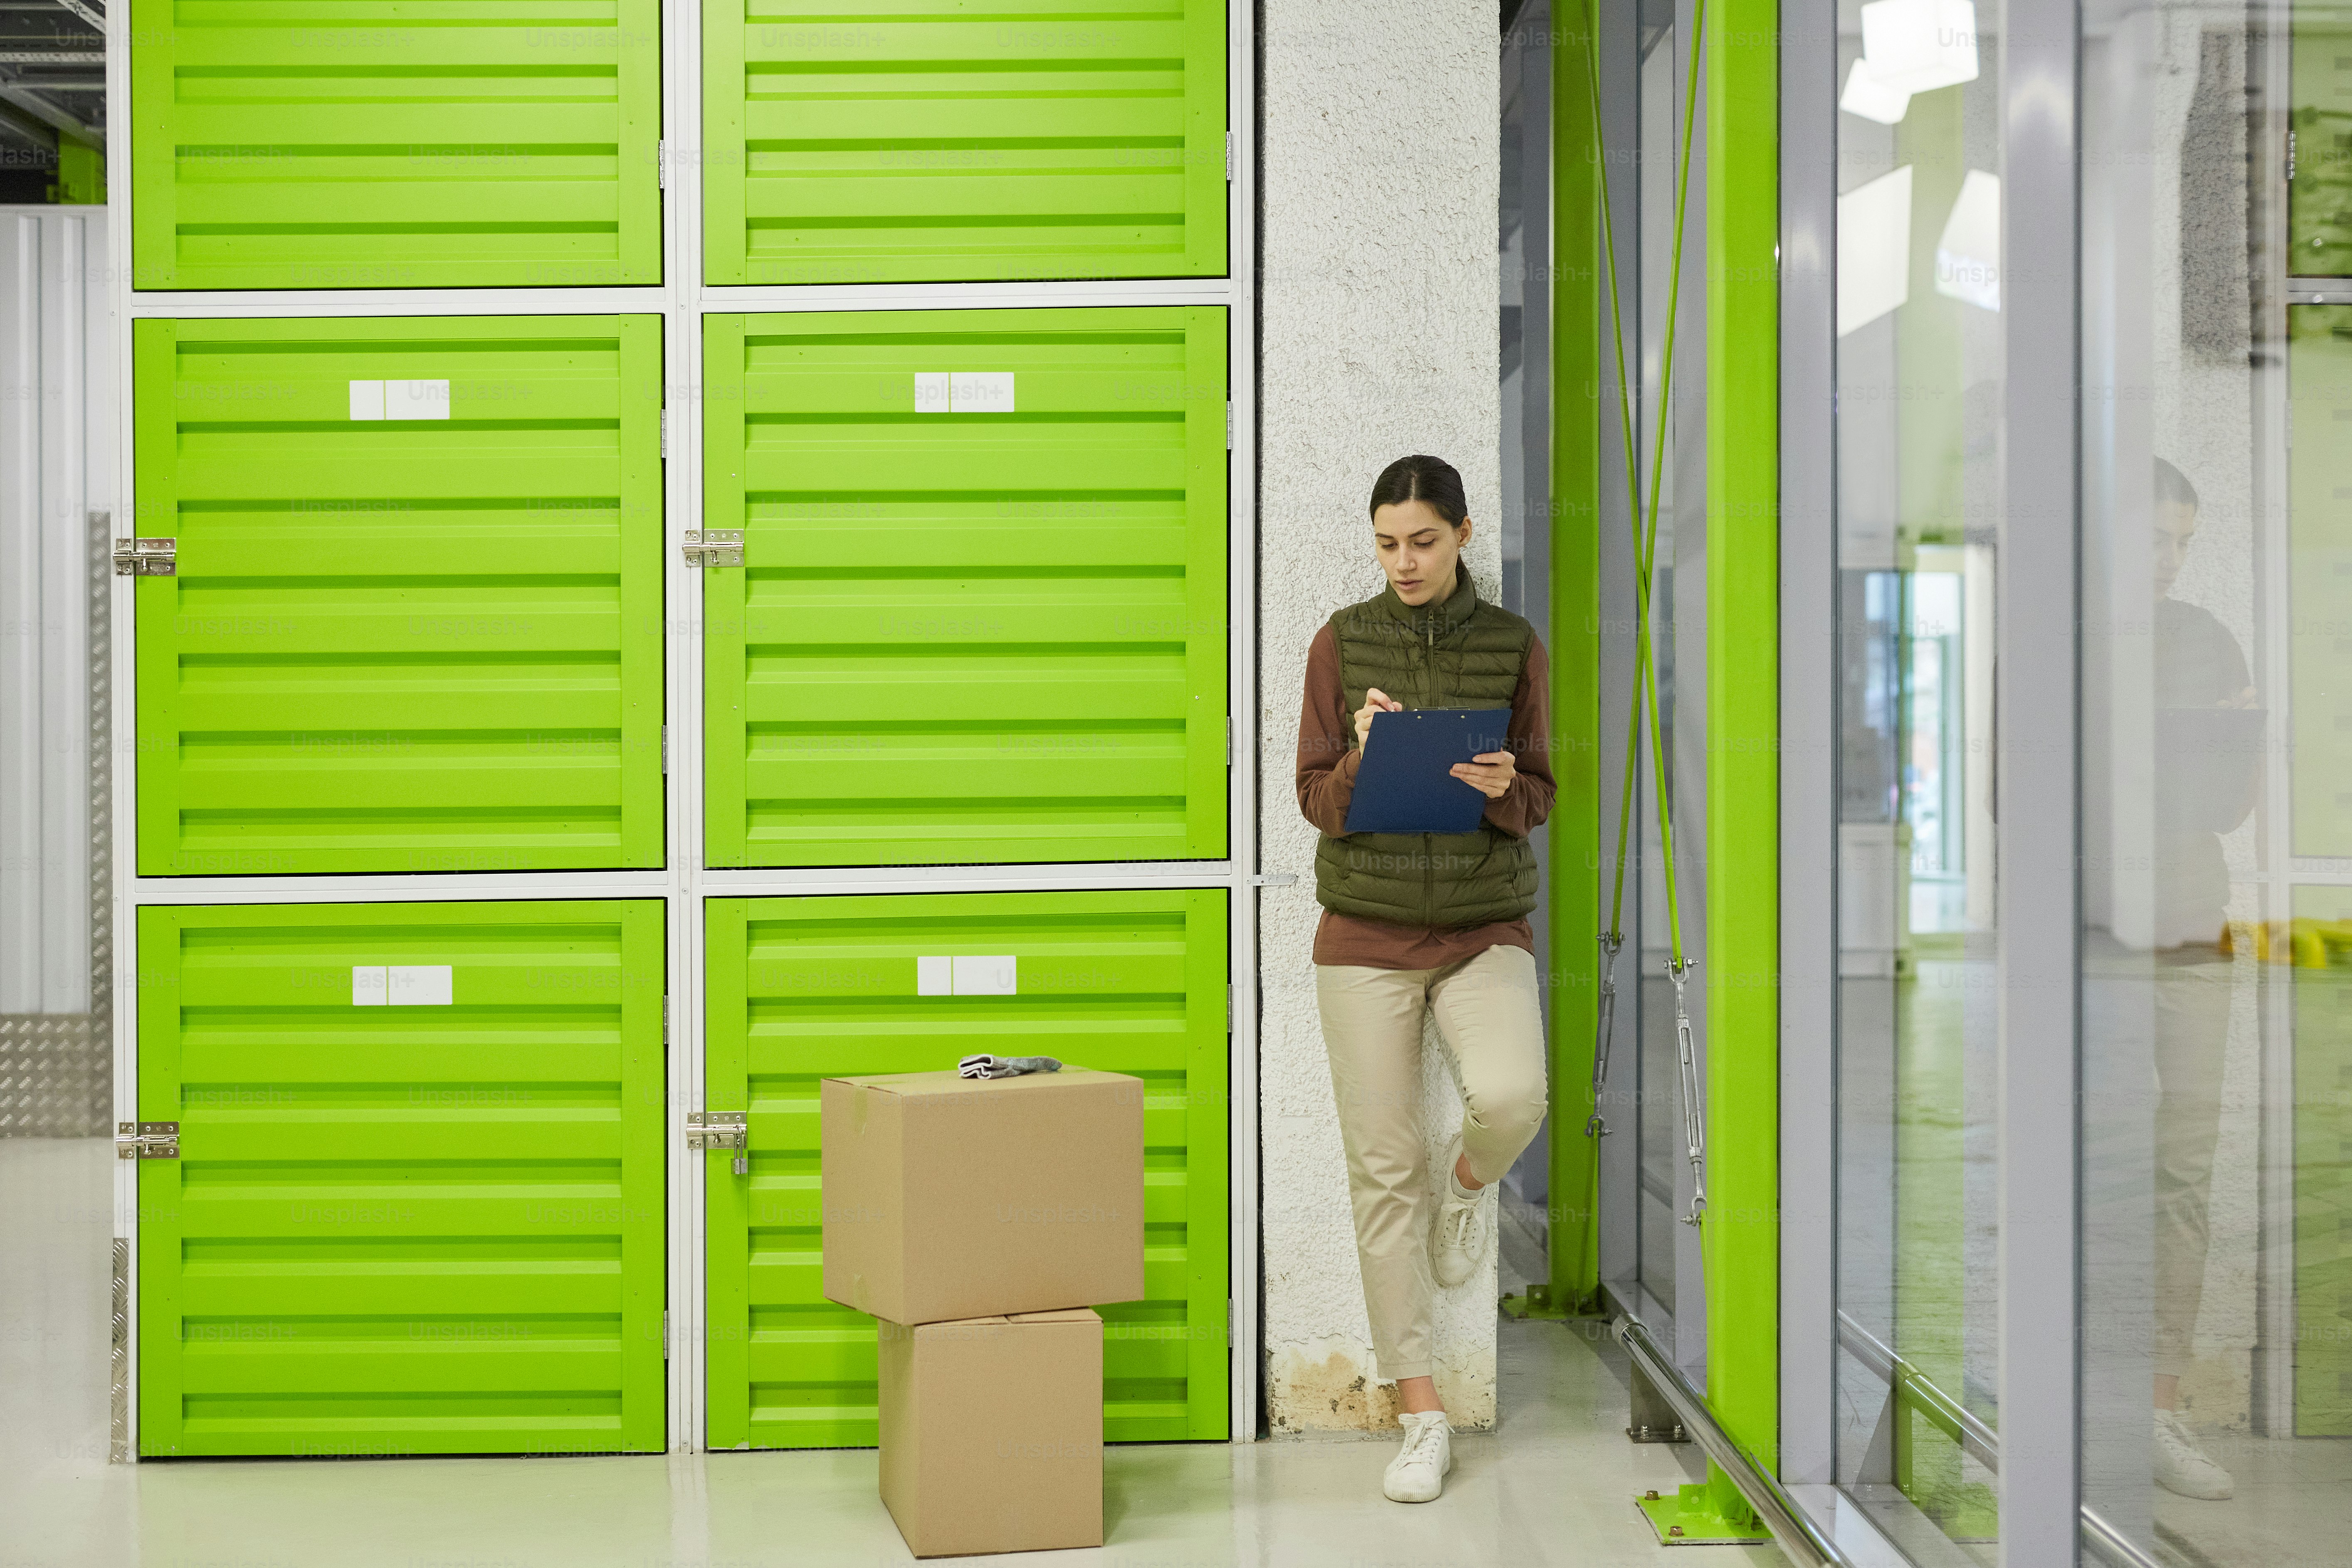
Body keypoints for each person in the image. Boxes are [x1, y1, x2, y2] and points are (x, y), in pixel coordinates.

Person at [1294, 454, 1556, 1503]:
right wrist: (1362, 753)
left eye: (1423, 541)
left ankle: (1468, 1185)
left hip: (1483, 925)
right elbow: (1314, 797)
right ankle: (1421, 1410)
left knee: (1512, 1098)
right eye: (1387, 543)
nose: (1403, 561)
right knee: (1381, 1167)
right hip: (1364, 932)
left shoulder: (1512, 646)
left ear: (1461, 534)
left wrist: (1504, 785)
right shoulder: (1340, 642)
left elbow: (1541, 789)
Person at [2145, 456, 2257, 1501]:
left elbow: (2230, 800)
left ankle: (2160, 1408)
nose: (2169, 556)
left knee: (2182, 1169)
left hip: (2190, 926)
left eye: (2183, 538)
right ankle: (2065, 1393)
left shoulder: (2211, 638)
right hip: (2081, 934)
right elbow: (2016, 790)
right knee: (2075, 1166)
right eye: (2152, 533)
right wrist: (2192, 732)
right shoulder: (2051, 635)